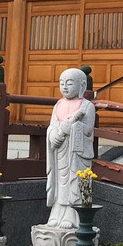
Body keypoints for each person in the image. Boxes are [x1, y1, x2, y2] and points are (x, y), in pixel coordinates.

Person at [44, 68, 96, 229]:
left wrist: (73, 127)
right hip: (60, 151)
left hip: (76, 154)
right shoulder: (59, 104)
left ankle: (72, 216)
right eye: (61, 83)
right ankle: (57, 213)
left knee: (74, 181)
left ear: (81, 85)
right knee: (60, 182)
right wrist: (54, 134)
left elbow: (87, 131)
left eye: (69, 83)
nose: (64, 86)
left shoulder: (87, 107)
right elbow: (52, 126)